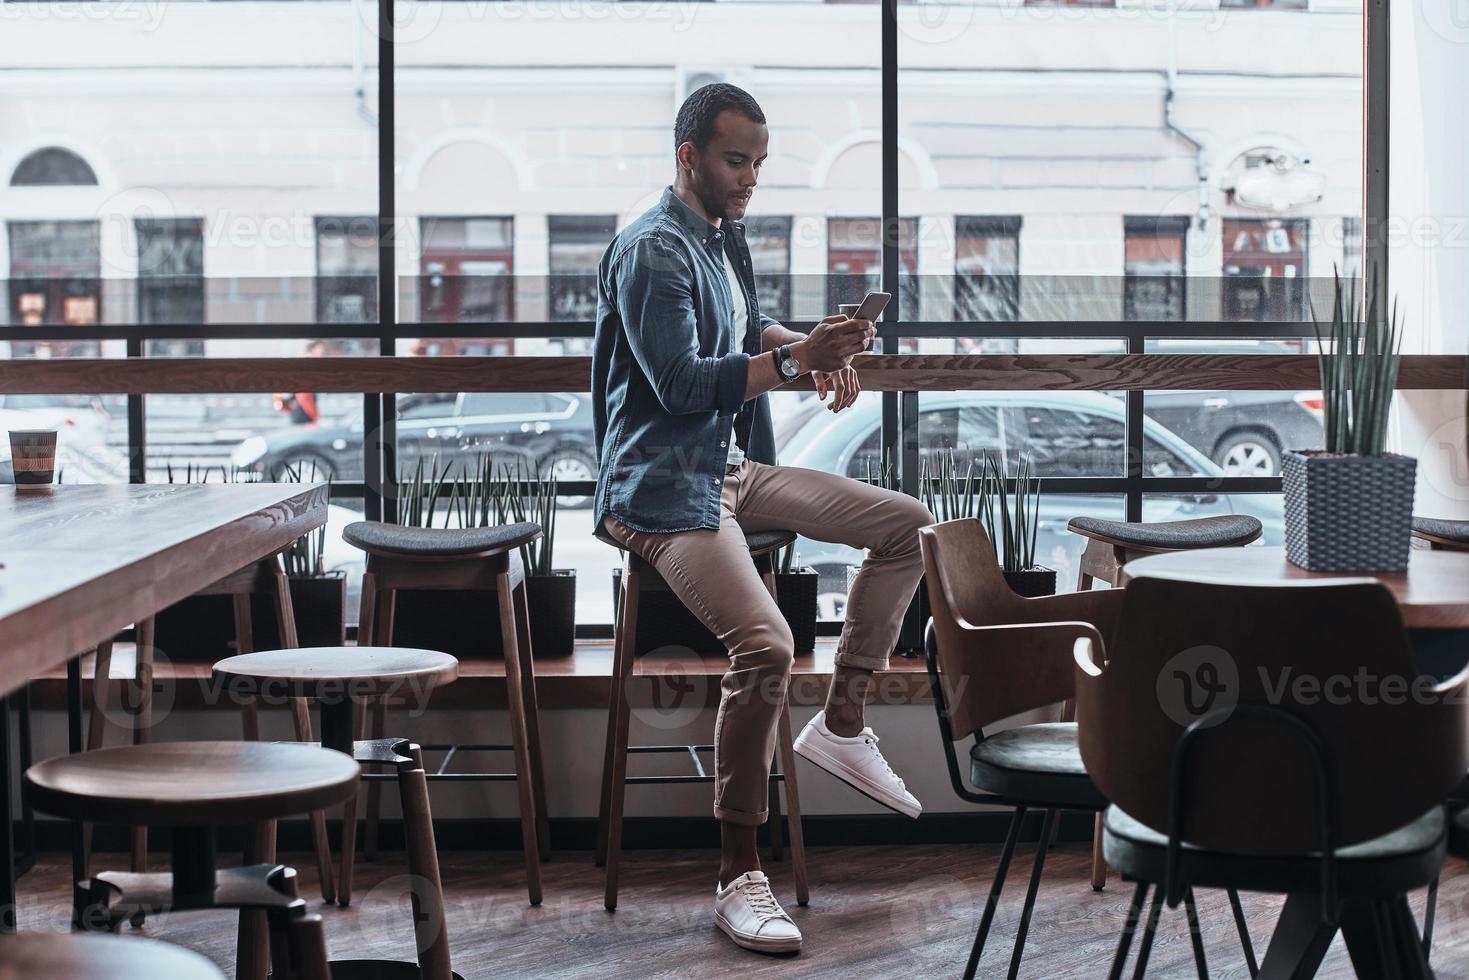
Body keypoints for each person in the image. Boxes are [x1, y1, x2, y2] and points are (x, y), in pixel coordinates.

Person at [591, 82, 935, 956]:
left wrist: (812, 346)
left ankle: (846, 723)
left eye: (757, 163)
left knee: (908, 526)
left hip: (732, 469)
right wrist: (792, 365)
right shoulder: (651, 252)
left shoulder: (722, 237)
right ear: (688, 159)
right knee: (768, 644)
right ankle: (736, 875)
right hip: (659, 489)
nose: (748, 178)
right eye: (734, 161)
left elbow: (745, 332)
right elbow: (680, 382)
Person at [273, 340, 325, 424]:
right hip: (303, 410)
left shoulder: (301, 360)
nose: (322, 352)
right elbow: (304, 396)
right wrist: (315, 416)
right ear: (313, 349)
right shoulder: (308, 361)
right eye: (320, 349)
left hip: (299, 408)